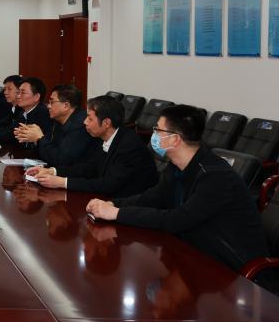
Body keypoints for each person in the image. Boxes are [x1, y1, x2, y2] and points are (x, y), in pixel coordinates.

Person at [86, 104, 269, 274]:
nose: (153, 134)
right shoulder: (177, 165)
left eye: (158, 130)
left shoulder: (215, 176)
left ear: (174, 139)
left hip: (233, 269)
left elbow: (176, 220)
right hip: (196, 252)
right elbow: (153, 198)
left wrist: (117, 213)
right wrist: (112, 203)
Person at [27, 95, 158, 198]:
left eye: (90, 118)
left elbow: (108, 185)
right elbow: (90, 167)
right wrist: (53, 171)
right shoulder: (104, 137)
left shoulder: (129, 145)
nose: (85, 122)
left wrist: (62, 182)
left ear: (106, 123)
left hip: (130, 203)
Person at [15, 84, 97, 167]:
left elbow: (61, 160)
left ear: (66, 105)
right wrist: (33, 138)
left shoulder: (80, 125)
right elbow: (50, 150)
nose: (48, 106)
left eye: (52, 102)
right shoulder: (57, 121)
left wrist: (40, 138)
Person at [0, 76, 51, 147]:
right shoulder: (23, 113)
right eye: (18, 92)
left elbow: (34, 144)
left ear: (36, 97)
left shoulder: (42, 113)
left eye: (23, 93)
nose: (18, 96)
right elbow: (11, 132)